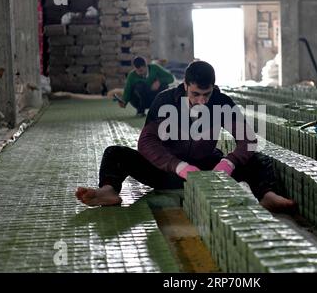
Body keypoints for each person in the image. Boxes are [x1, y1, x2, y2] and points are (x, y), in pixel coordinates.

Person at [76, 61, 297, 213]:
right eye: (195, 94)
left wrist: (228, 162)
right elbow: (146, 142)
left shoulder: (222, 102)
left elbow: (247, 140)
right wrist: (177, 166)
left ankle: (266, 195)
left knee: (258, 159)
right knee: (115, 153)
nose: (201, 101)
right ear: (185, 86)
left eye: (206, 94)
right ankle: (108, 191)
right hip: (167, 173)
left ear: (214, 88)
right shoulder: (166, 102)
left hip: (206, 171)